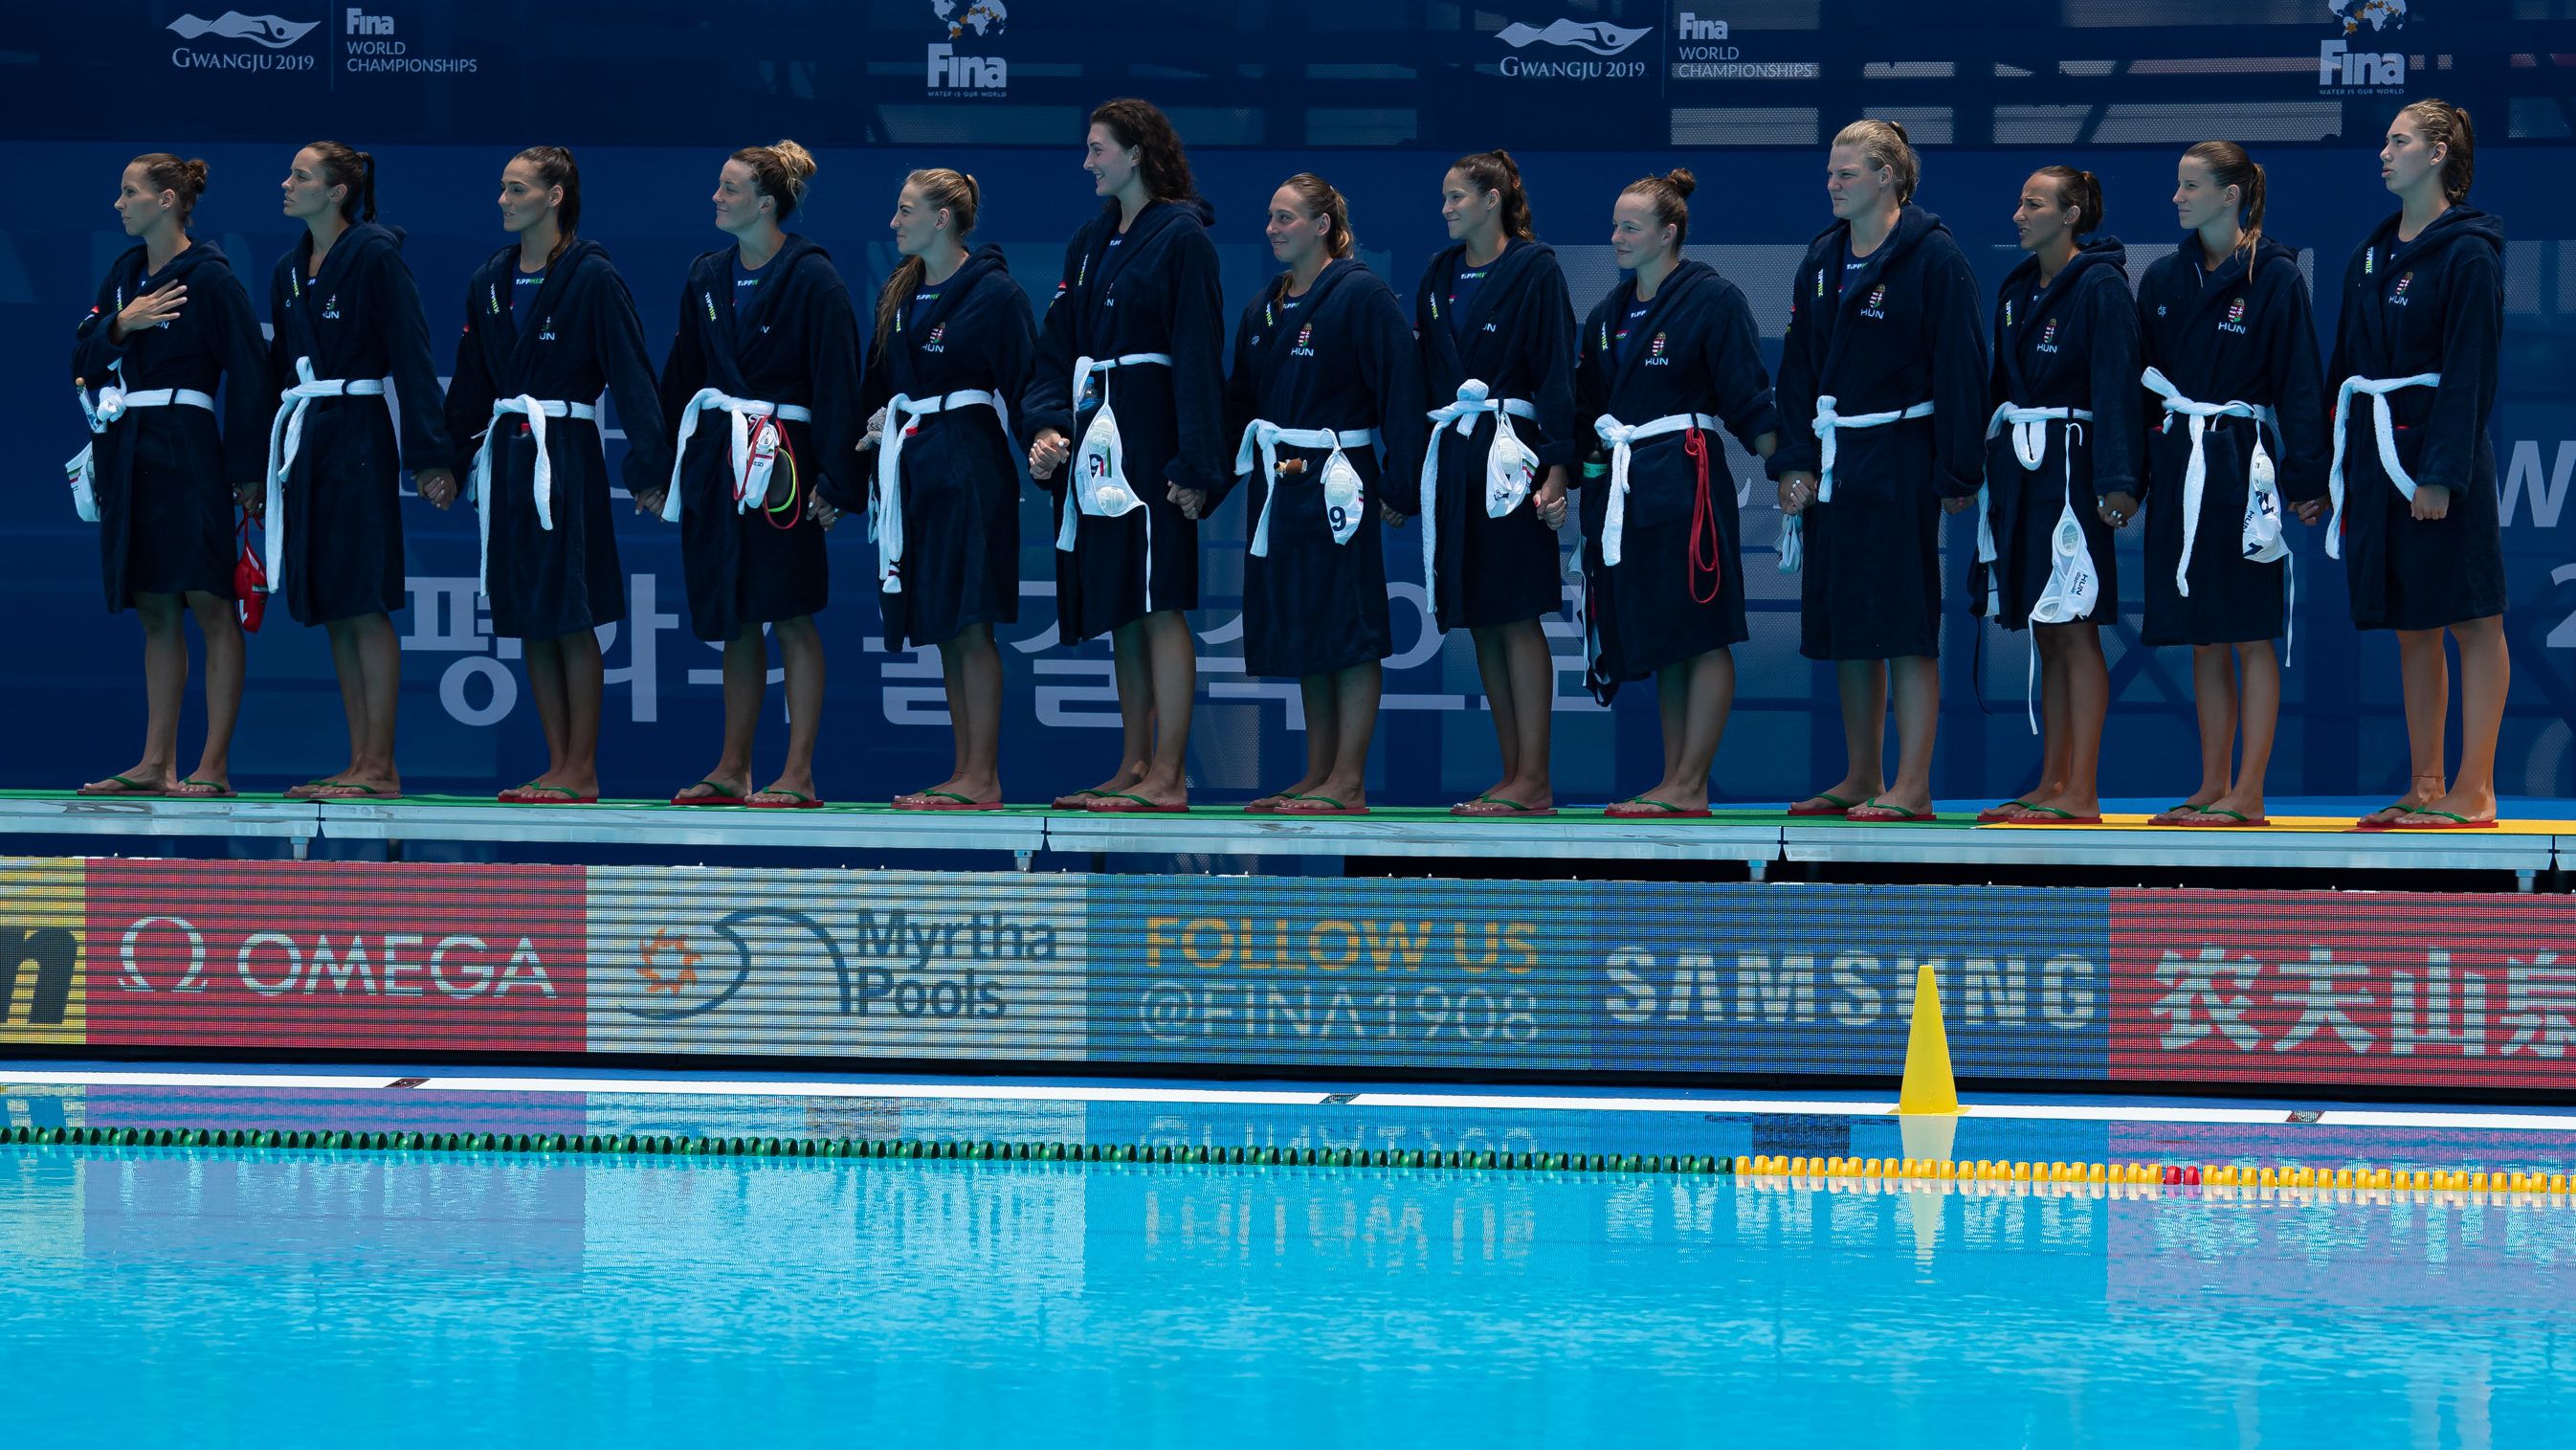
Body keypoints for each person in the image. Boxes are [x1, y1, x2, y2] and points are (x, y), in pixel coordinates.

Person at [430, 145, 672, 805]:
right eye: (502, 189)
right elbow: (472, 381)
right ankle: (553, 762)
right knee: (528, 617)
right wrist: (448, 462)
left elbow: (631, 373)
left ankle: (581, 768)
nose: (502, 201)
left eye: (515, 189)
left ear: (555, 195)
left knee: (572, 613)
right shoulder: (489, 280)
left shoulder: (593, 278)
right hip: (509, 457)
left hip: (563, 453)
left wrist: (652, 468)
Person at [1770, 120, 1987, 823]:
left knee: (1903, 624)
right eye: (1830, 173)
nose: (1832, 184)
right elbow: (1798, 366)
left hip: (1899, 455)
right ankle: (1862, 773)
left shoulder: (1933, 258)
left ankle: (1912, 785)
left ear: (1888, 176)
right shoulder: (1822, 258)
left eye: (1847, 173)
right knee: (1845, 624)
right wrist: (1795, 460)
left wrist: (1959, 470)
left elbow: (1962, 365)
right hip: (1836, 461)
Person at [1021, 99, 1227, 814]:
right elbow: (1057, 346)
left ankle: (1170, 774)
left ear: (1136, 152)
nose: (1087, 162)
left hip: (1153, 439)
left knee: (1160, 601)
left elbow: (1200, 354)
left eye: (1098, 148)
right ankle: (1135, 762)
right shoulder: (1090, 240)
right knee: (1123, 608)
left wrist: (1198, 464)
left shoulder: (1182, 238)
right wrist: (1047, 425)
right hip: (1098, 442)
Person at [648, 140, 862, 811]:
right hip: (721, 458)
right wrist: (655, 469)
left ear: (767, 204)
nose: (716, 196)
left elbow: (837, 383)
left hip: (785, 465)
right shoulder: (706, 276)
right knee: (736, 616)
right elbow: (682, 376)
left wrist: (836, 481)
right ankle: (733, 766)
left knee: (791, 615)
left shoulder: (813, 278)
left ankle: (797, 771)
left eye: (730, 188)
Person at [2132, 141, 2329, 828]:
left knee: (2251, 632)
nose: (2178, 198)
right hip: (2179, 461)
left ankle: (2249, 793)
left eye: (2190, 187)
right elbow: (2141, 391)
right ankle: (2212, 784)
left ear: (2230, 196)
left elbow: (2301, 384)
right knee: (2203, 635)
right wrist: (2128, 477)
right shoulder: (2161, 279)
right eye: (2177, 186)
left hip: (2244, 465)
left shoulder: (2275, 277)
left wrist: (2308, 479)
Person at [1573, 170, 1779, 818]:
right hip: (1629, 487)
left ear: (1669, 232)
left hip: (1687, 479)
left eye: (1630, 227)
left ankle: (1692, 782)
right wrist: (1570, 478)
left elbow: (1748, 396)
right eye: (1613, 226)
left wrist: (1792, 469)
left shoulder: (1713, 300)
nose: (1617, 238)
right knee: (1664, 638)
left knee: (1703, 628)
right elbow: (1587, 411)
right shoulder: (1609, 315)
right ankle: (1673, 781)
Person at [826, 167, 1033, 811]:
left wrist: (1045, 440)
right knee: (946, 625)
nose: (894, 222)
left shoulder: (996, 294)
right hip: (915, 469)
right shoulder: (901, 292)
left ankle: (983, 777)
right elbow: (875, 389)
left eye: (906, 209)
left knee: (972, 624)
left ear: (942, 218)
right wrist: (846, 478)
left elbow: (1028, 384)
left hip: (971, 470)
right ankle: (963, 771)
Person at [1218, 174, 1426, 814]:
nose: (1273, 229)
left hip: (1343, 480)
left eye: (1286, 218)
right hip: (1282, 482)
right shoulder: (1263, 309)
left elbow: (1402, 392)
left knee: (1350, 627)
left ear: (1323, 227)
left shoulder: (1361, 295)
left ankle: (1349, 781)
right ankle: (1317, 774)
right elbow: (1240, 403)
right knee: (1306, 626)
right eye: (1271, 218)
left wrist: (1399, 484)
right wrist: (1205, 475)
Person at [2328, 100, 2509, 830]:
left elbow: (2472, 367)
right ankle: (2426, 783)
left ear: (2438, 155)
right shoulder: (2371, 254)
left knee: (2472, 618)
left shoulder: (2468, 251)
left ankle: (2476, 789)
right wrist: (2325, 474)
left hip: (2441, 455)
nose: (2383, 152)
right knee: (2412, 623)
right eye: (2385, 140)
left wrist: (2441, 470)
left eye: (2398, 141)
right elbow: (2346, 367)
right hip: (2378, 457)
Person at [69, 154, 270, 799]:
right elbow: (81, 356)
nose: (117, 203)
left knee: (210, 604)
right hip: (131, 451)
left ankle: (211, 765)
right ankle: (157, 761)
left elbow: (251, 372)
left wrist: (247, 471)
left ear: (166, 201)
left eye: (128, 192)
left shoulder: (212, 280)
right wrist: (120, 325)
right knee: (154, 607)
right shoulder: (125, 275)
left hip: (188, 450)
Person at [266, 141, 458, 801]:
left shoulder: (376, 256)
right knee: (335, 609)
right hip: (309, 440)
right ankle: (357, 761)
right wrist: (255, 471)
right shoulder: (289, 271)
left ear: (338, 191)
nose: (286, 184)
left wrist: (431, 456)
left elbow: (412, 353)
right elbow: (275, 376)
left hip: (358, 438)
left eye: (301, 176)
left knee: (365, 601)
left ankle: (381, 763)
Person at [1413, 150, 1579, 816]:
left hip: (1515, 460)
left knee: (1516, 614)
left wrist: (1559, 467)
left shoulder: (1535, 270)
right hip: (1458, 456)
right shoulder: (1439, 274)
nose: (1447, 208)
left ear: (1493, 199)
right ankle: (1514, 775)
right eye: (1445, 198)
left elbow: (1558, 374)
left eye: (1457, 197)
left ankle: (1534, 776)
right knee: (1481, 618)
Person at [1974, 167, 2141, 826]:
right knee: (2045, 628)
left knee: (2076, 631)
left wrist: (2118, 481)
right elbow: (1998, 388)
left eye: (2033, 203)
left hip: (2076, 473)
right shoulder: (2016, 289)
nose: (2018, 213)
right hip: (2023, 472)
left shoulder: (2101, 289)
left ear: (2071, 215)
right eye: (2019, 201)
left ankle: (2083, 793)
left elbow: (2117, 384)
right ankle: (2053, 783)